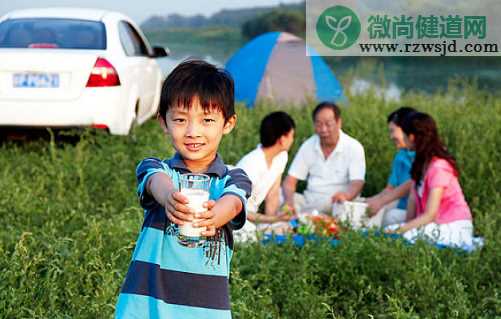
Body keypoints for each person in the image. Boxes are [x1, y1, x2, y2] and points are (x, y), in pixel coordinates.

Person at [115, 60, 252, 319]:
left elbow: (234, 202)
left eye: (207, 120)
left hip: (205, 310)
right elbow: (155, 181)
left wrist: (215, 215)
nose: (192, 132)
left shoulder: (233, 178)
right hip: (146, 306)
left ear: (228, 123)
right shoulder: (158, 170)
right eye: (180, 119)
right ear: (163, 122)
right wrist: (169, 198)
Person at [386, 112, 474, 247]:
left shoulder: (439, 166)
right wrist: (404, 226)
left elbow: (430, 214)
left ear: (411, 137)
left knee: (408, 236)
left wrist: (402, 229)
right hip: (434, 225)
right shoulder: (420, 163)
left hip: (453, 226)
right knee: (394, 231)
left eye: (404, 133)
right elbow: (413, 200)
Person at [283, 101, 366, 215]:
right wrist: (289, 202)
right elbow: (290, 180)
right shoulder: (308, 145)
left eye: (328, 124)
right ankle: (298, 216)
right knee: (279, 195)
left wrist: (346, 195)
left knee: (342, 207)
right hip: (310, 200)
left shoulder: (354, 147)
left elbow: (357, 183)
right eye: (318, 124)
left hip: (338, 202)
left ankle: (302, 217)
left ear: (339, 123)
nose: (323, 129)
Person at [234, 111, 295, 241]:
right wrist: (274, 219)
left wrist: (273, 222)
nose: (292, 140)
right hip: (237, 217)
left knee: (285, 228)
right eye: (291, 136)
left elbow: (273, 193)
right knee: (248, 236)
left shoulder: (281, 156)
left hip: (255, 218)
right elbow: (238, 209)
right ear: (282, 139)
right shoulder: (251, 164)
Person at [365, 107, 416, 227]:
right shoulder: (401, 155)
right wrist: (371, 201)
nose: (391, 136)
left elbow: (411, 184)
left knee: (388, 216)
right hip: (402, 205)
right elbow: (390, 188)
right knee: (366, 207)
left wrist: (380, 201)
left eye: (392, 131)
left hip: (417, 209)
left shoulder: (423, 154)